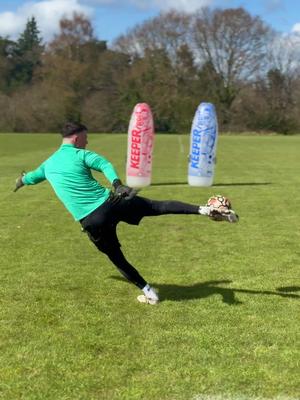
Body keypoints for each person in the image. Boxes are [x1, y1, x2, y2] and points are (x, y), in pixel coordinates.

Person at [14, 122, 239, 305]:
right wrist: (117, 184)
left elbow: (31, 177)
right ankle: (206, 209)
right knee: (158, 207)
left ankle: (149, 292)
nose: (87, 141)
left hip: (91, 220)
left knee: (116, 257)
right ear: (75, 139)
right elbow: (104, 163)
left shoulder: (48, 164)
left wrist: (21, 181)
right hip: (112, 202)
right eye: (85, 137)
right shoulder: (81, 154)